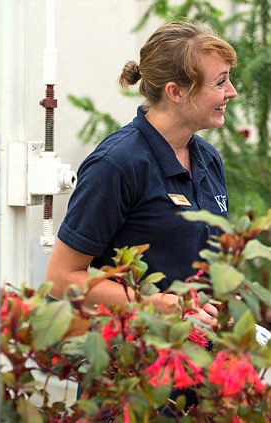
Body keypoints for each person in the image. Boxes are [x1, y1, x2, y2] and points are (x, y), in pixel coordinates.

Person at [46, 21, 237, 327]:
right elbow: (60, 278)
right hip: (132, 361)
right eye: (220, 82)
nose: (232, 92)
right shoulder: (117, 164)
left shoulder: (207, 158)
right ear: (176, 92)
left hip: (200, 357)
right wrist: (153, 305)